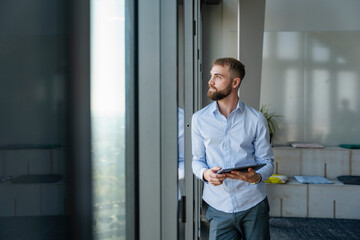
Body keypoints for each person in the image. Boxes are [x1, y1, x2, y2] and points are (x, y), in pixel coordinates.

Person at [191, 57, 274, 240]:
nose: (210, 82)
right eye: (211, 76)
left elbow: (267, 162)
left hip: (253, 203)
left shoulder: (256, 119)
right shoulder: (199, 119)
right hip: (217, 205)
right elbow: (197, 160)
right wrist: (206, 174)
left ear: (235, 82)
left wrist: (256, 177)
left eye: (218, 77)